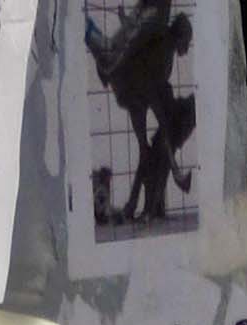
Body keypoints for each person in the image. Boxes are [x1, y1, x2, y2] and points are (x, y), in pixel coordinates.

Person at [84, 0, 195, 227]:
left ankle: (135, 203)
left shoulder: (164, 42)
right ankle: (146, 199)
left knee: (145, 149)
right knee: (150, 145)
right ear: (182, 36)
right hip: (137, 91)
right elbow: (151, 77)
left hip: (134, 92)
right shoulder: (164, 44)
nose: (186, 47)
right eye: (187, 41)